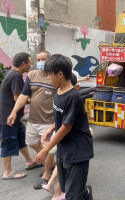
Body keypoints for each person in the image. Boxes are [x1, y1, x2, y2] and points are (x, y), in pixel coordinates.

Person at [35, 54, 94, 200]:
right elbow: (62, 119)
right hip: (64, 149)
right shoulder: (59, 91)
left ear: (60, 74)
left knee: (72, 196)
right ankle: (84, 192)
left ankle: (83, 193)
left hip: (77, 150)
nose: (48, 78)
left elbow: (66, 127)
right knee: (68, 189)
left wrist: (46, 149)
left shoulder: (73, 97)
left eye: (50, 75)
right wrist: (51, 128)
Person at [7, 51, 57, 189]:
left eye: (43, 59)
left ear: (50, 60)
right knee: (32, 143)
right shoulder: (32, 75)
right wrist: (14, 112)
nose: (40, 61)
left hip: (48, 121)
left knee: (48, 148)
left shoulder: (54, 76)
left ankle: (46, 174)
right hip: (33, 119)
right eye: (38, 59)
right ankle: (52, 162)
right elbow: (23, 95)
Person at [0, 52, 36, 180]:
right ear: (23, 64)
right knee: (7, 142)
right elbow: (18, 98)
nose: (30, 66)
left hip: (14, 118)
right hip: (8, 118)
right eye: (29, 63)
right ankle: (7, 171)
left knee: (22, 139)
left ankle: (30, 161)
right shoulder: (15, 76)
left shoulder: (13, 74)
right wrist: (36, 101)